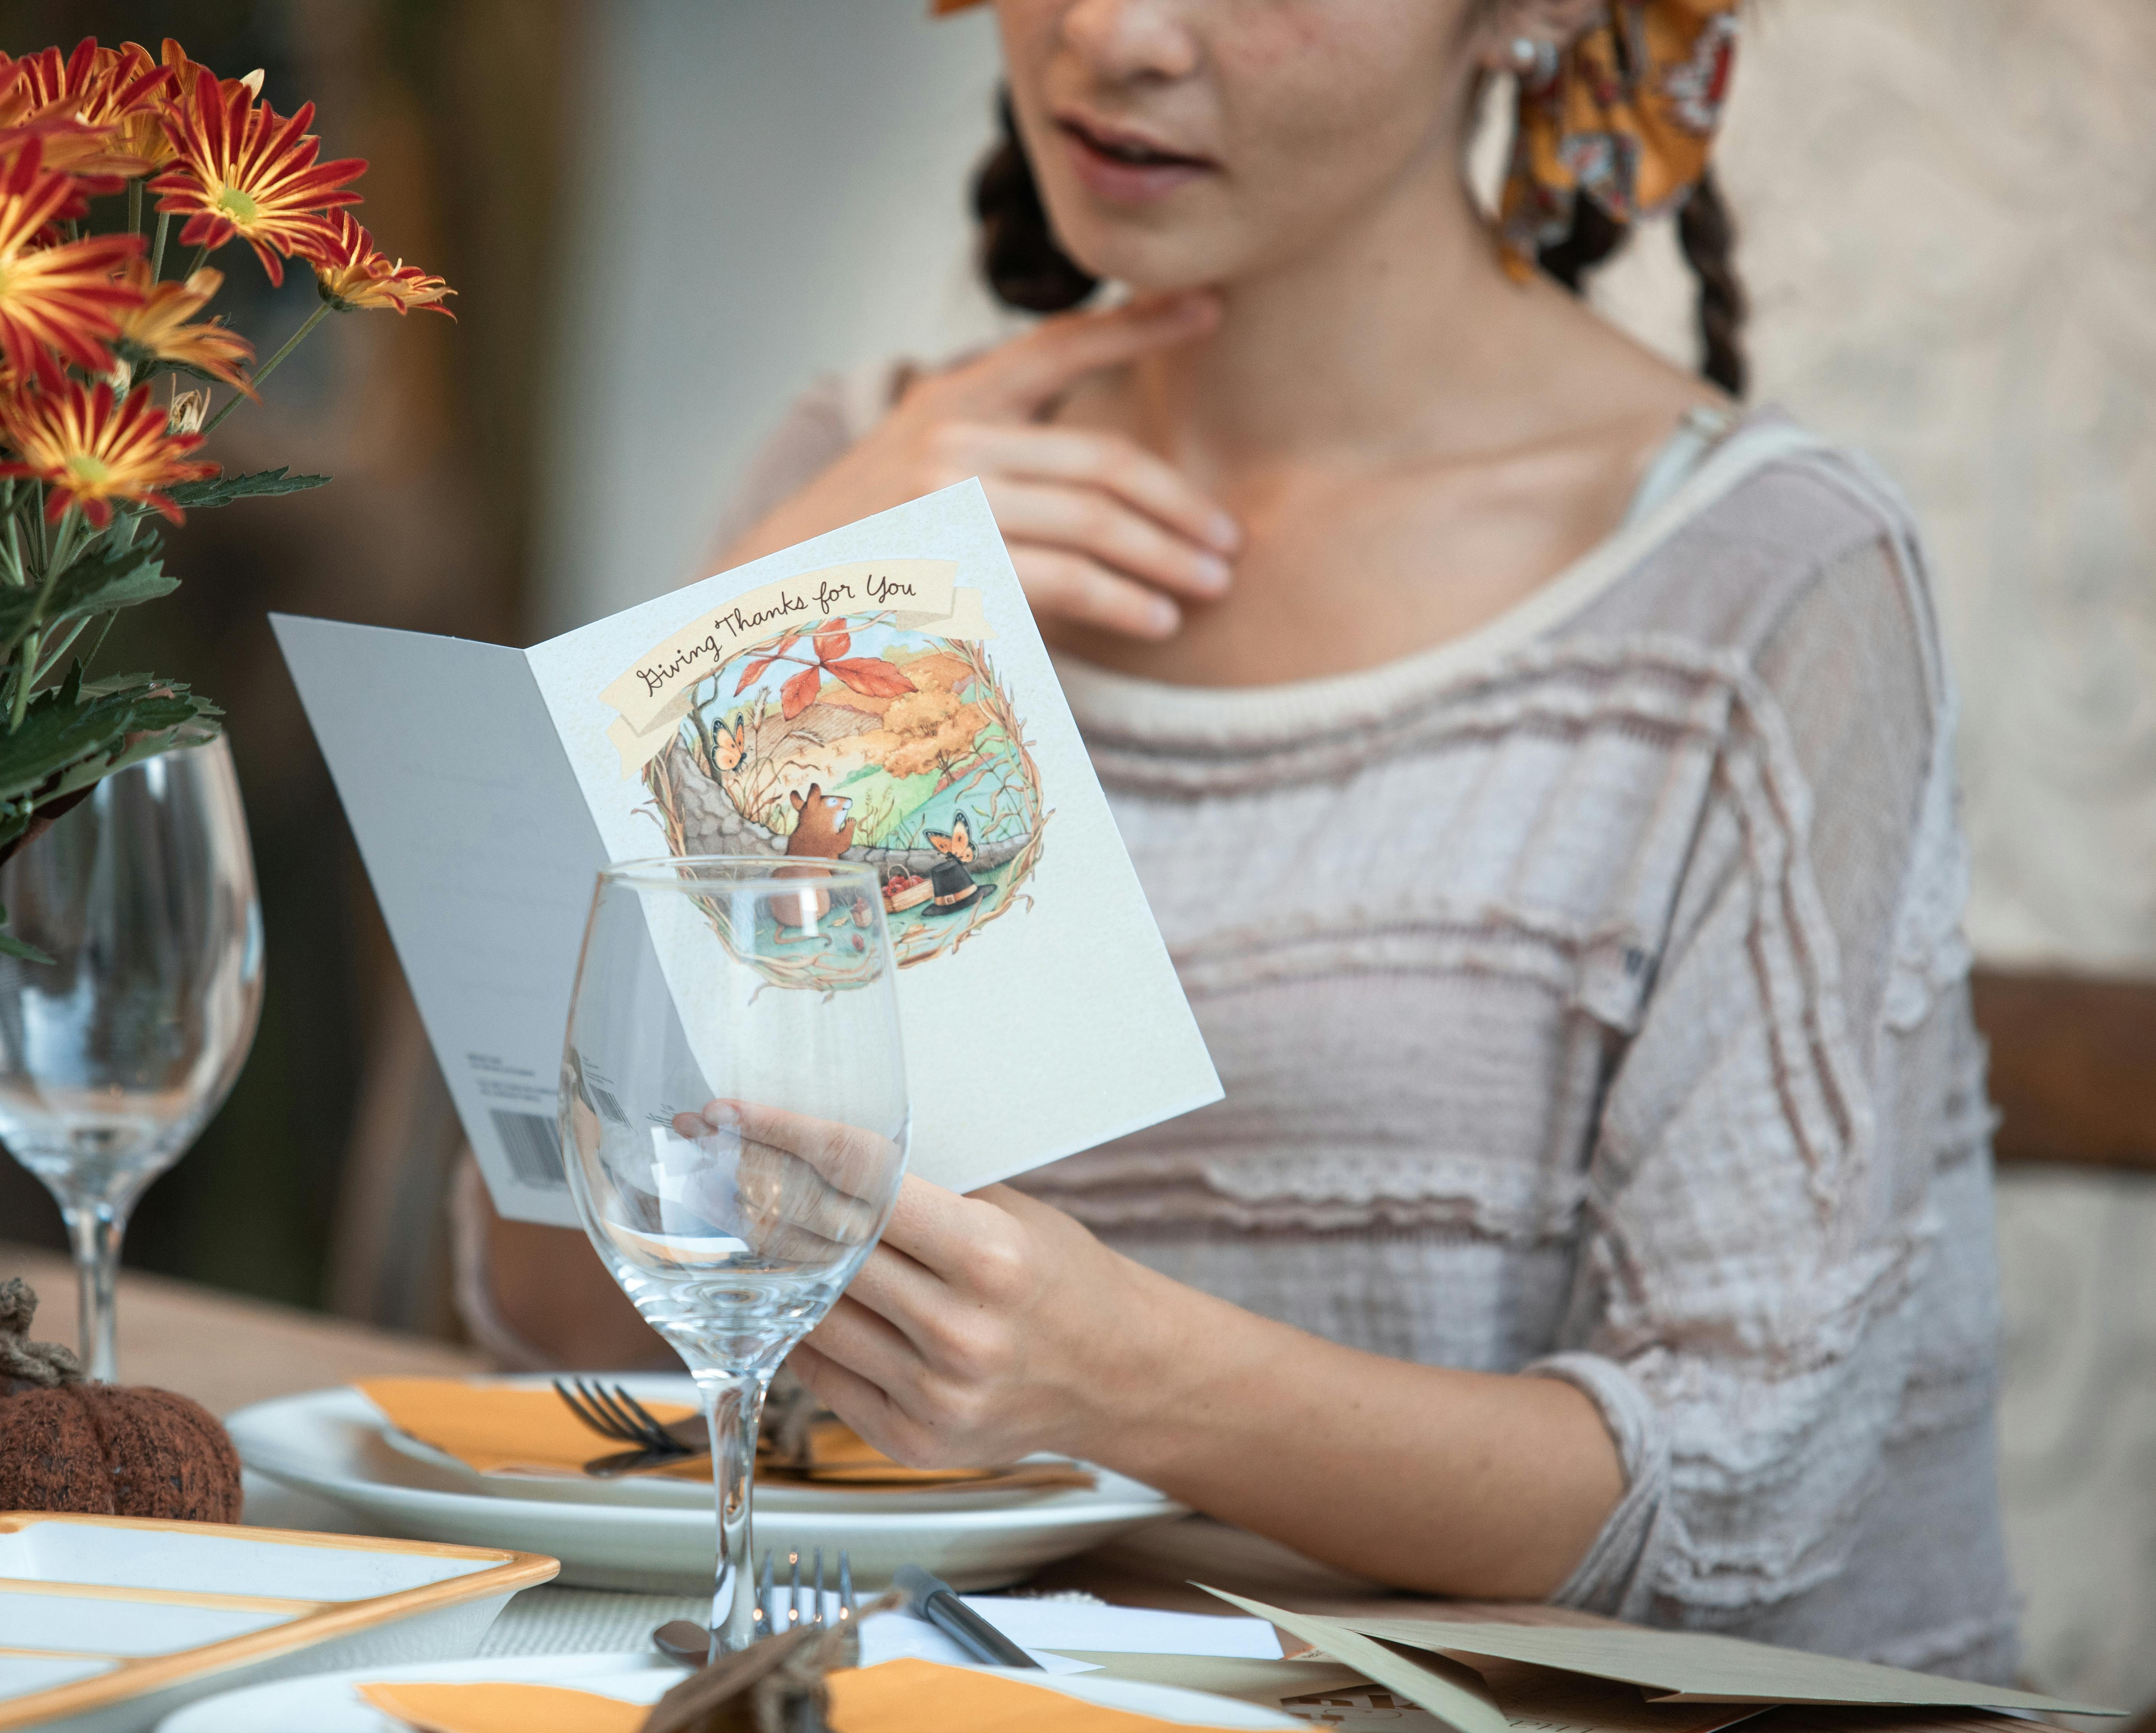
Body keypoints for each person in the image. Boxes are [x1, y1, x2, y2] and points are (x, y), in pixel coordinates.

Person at [469, 0, 2016, 1677]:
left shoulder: (1762, 582)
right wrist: (729, 617)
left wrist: (1129, 1377)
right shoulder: (859, 489)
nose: (1114, 33)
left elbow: (1739, 1503)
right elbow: (539, 1306)